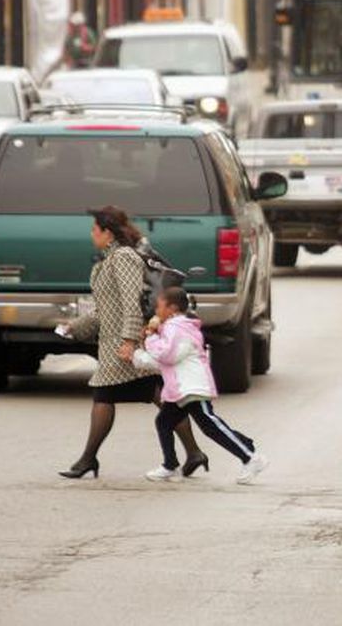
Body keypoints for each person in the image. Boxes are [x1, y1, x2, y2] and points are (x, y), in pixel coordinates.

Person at [57, 206, 203, 480]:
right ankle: (194, 452)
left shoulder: (123, 258)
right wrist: (75, 328)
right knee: (158, 394)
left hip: (123, 342)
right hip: (115, 340)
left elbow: (130, 303)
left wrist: (128, 341)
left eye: (94, 229)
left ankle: (87, 460)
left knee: (104, 395)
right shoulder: (110, 258)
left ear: (107, 233)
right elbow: (104, 309)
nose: (91, 234)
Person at [122, 287, 268, 485]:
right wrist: (137, 357)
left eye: (159, 306)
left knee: (210, 425)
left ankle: (250, 457)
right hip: (180, 389)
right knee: (164, 422)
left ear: (172, 308)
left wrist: (150, 336)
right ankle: (169, 465)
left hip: (191, 387)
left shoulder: (177, 327)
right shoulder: (172, 328)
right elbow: (164, 363)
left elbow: (167, 355)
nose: (156, 311)